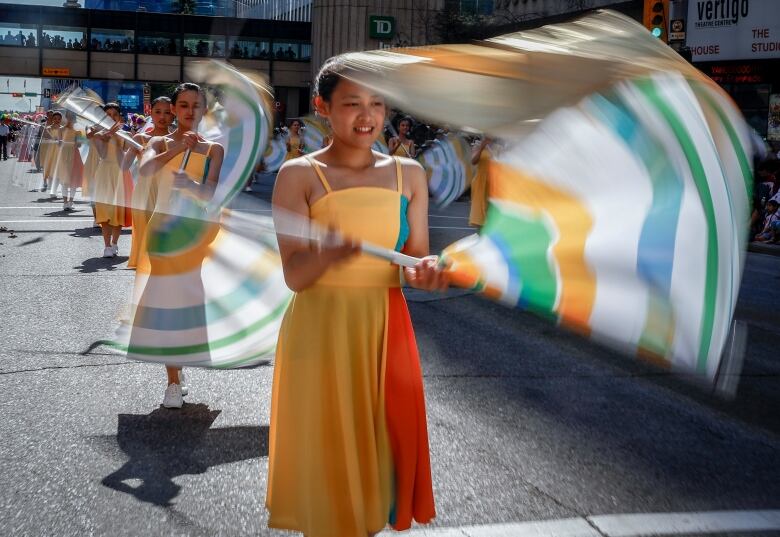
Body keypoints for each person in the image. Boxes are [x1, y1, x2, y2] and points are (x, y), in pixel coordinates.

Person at [267, 56, 447, 537]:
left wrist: (428, 273)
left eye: (376, 103)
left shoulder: (408, 174)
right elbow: (295, 275)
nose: (366, 116)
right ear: (322, 107)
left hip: (386, 327)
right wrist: (328, 255)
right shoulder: (298, 176)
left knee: (380, 456)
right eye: (351, 104)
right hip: (321, 331)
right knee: (329, 460)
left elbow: (414, 261)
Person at [136, 82, 224, 409]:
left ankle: (181, 362)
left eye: (195, 105)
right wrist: (174, 150)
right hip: (162, 230)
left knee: (186, 301)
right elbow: (144, 170)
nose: (189, 111)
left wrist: (193, 185)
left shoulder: (214, 149)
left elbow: (210, 193)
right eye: (183, 105)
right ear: (174, 109)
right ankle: (172, 380)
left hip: (193, 231)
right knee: (165, 301)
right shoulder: (157, 141)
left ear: (203, 110)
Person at [121, 96, 173, 269]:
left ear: (174, 113)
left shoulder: (179, 139)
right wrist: (130, 143)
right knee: (146, 238)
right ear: (151, 112)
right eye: (158, 112)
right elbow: (124, 166)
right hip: (144, 193)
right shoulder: (141, 138)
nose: (162, 116)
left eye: (167, 112)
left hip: (170, 193)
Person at [93, 102, 130, 258]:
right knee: (105, 210)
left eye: (115, 115)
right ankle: (107, 245)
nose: (112, 118)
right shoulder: (98, 134)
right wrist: (107, 137)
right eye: (108, 115)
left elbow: (125, 159)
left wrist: (118, 138)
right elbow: (102, 154)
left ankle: (115, 243)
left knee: (118, 211)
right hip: (104, 173)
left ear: (119, 117)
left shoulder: (125, 135)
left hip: (121, 173)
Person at [52, 112, 83, 211]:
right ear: (66, 118)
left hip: (74, 155)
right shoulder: (61, 130)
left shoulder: (78, 131)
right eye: (69, 118)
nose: (70, 120)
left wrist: (76, 143)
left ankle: (71, 201)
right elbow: (58, 143)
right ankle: (65, 202)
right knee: (64, 180)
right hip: (64, 155)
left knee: (74, 180)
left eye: (72, 118)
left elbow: (79, 145)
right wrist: (59, 142)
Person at [468, 137, 493, 228]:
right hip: (480, 181)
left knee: (491, 212)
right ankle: (481, 235)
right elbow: (473, 161)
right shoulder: (478, 145)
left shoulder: (498, 147)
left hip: (493, 182)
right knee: (479, 212)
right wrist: (482, 147)